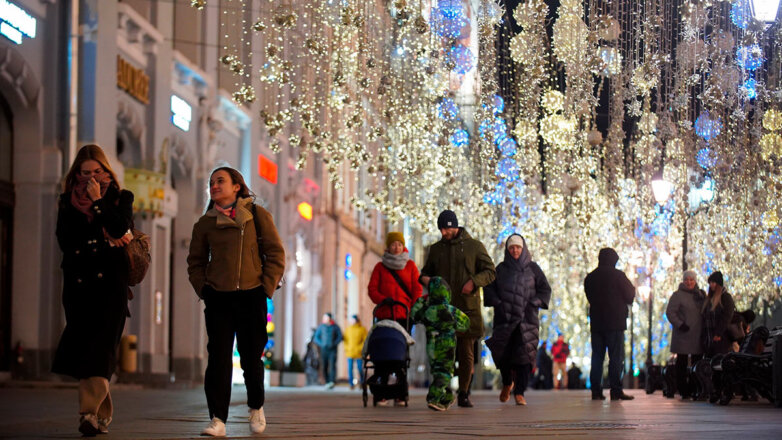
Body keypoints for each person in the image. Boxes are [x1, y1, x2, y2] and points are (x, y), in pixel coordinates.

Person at [187, 166, 285, 437]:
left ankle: (256, 407)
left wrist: (265, 288)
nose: (215, 186)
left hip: (252, 295)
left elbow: (276, 253)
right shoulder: (205, 223)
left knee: (251, 357)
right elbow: (195, 262)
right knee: (218, 358)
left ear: (236, 187)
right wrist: (204, 289)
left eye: (220, 181)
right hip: (218, 298)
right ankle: (218, 419)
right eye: (211, 182)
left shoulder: (256, 215)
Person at [52, 145, 135, 436]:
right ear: (76, 174)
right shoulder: (66, 201)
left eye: (97, 171)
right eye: (85, 173)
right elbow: (65, 239)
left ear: (106, 170)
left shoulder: (122, 197)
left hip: (111, 285)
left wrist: (98, 203)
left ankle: (88, 413)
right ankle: (100, 416)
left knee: (101, 349)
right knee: (90, 351)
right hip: (77, 285)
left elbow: (121, 226)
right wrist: (107, 235)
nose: (91, 178)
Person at [419, 210, 496, 407]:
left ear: (455, 226)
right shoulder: (436, 249)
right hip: (443, 310)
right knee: (443, 354)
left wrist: (473, 282)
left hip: (466, 308)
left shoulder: (474, 247)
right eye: (441, 229)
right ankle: (443, 391)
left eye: (446, 228)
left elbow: (490, 271)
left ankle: (464, 392)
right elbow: (425, 273)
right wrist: (428, 280)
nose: (444, 232)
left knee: (466, 352)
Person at [484, 234, 551, 405]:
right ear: (507, 249)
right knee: (503, 355)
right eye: (512, 247)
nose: (515, 250)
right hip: (504, 319)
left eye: (518, 247)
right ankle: (507, 382)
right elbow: (489, 289)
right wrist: (497, 303)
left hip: (526, 321)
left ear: (523, 249)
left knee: (525, 357)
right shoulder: (500, 269)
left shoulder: (533, 269)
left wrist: (535, 302)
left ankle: (520, 392)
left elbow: (544, 289)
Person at [411, 277, 470, 411]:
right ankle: (433, 397)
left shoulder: (427, 310)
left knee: (437, 371)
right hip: (447, 346)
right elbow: (465, 323)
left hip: (431, 345)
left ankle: (446, 397)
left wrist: (422, 300)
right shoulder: (450, 310)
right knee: (445, 372)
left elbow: (414, 315)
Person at [584, 247, 636, 401]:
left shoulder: (590, 277)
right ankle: (616, 390)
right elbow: (630, 294)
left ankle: (596, 391)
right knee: (615, 358)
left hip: (597, 323)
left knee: (597, 357)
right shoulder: (618, 276)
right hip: (615, 323)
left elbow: (590, 297)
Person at [368, 232, 423, 331]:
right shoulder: (380, 267)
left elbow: (417, 289)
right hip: (384, 314)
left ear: (403, 246)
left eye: (399, 244)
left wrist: (414, 310)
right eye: (393, 244)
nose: (397, 248)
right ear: (388, 247)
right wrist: (383, 299)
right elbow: (372, 289)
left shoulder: (410, 266)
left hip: (404, 315)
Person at [665, 270, 706, 399]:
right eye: (687, 279)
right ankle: (683, 390)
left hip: (697, 334)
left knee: (697, 363)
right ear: (683, 281)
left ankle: (695, 388)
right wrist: (680, 324)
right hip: (683, 334)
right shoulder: (677, 295)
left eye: (691, 280)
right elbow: (670, 312)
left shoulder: (700, 295)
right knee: (681, 363)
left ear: (695, 281)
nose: (689, 282)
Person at [701, 271, 735, 357]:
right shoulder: (709, 300)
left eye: (713, 282)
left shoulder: (725, 297)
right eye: (710, 283)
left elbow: (727, 316)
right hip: (709, 339)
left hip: (721, 339)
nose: (711, 285)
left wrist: (718, 333)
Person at [313, 312, 343, 388]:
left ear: (330, 318)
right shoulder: (321, 327)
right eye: (324, 318)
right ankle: (327, 381)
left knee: (332, 365)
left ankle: (332, 381)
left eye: (326, 317)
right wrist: (321, 344)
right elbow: (316, 337)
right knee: (325, 365)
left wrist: (335, 343)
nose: (324, 319)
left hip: (332, 349)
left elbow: (340, 336)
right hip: (324, 349)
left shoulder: (335, 327)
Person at [344, 315, 368, 389]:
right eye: (351, 320)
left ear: (356, 320)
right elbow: (345, 340)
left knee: (360, 368)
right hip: (350, 352)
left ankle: (362, 382)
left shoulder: (362, 329)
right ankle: (351, 384)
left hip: (359, 353)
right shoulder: (348, 329)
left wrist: (360, 348)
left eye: (353, 320)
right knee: (350, 369)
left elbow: (365, 340)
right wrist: (347, 348)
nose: (352, 321)